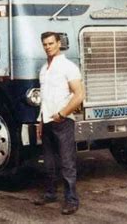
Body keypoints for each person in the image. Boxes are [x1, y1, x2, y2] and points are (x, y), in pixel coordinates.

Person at [35, 31, 85, 215]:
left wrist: (62, 114)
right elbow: (45, 99)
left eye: (51, 43)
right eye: (45, 44)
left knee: (67, 163)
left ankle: (71, 200)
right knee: (48, 163)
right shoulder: (43, 69)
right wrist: (40, 121)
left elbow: (79, 95)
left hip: (63, 121)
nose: (48, 47)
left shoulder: (68, 67)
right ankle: (50, 194)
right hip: (47, 121)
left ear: (59, 44)